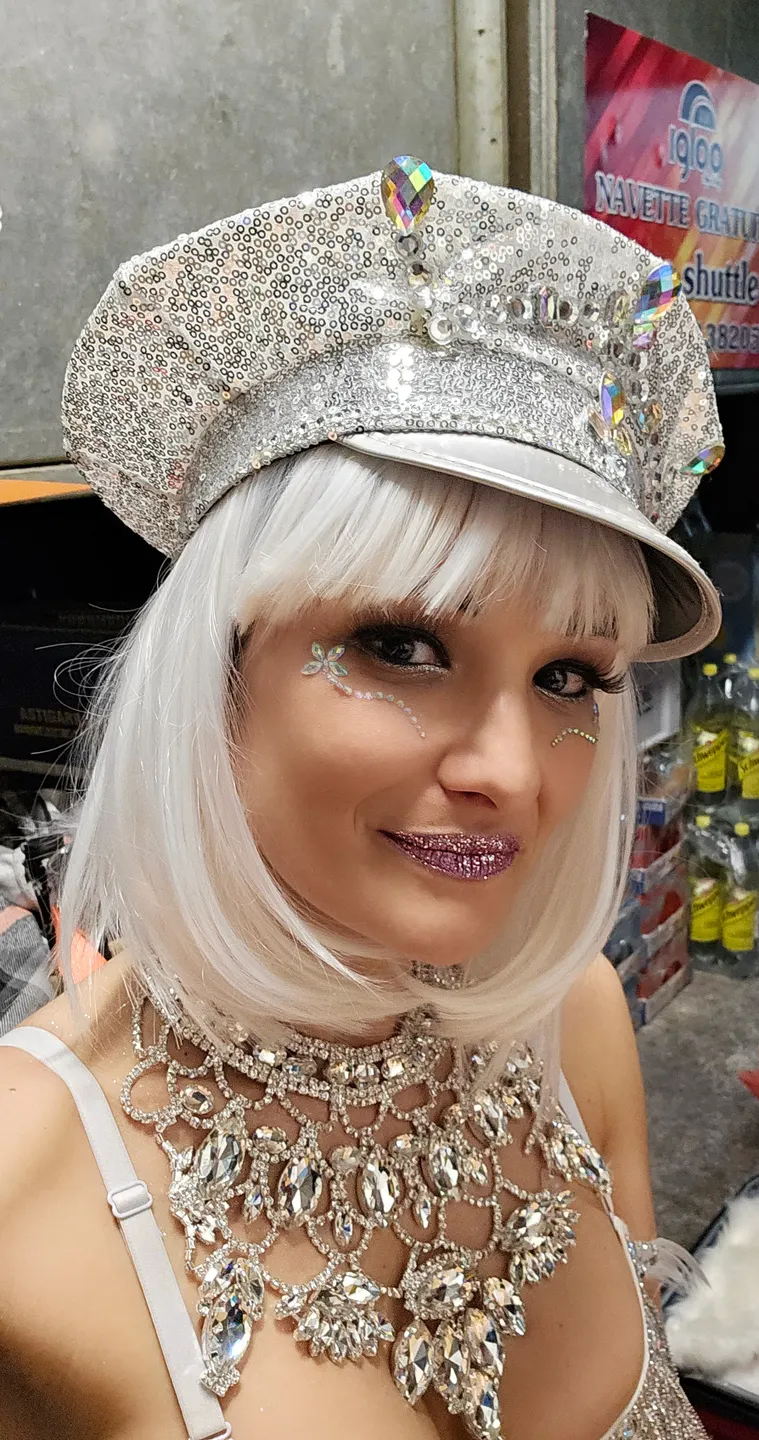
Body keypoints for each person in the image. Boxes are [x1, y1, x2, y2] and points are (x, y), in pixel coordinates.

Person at [0, 158, 723, 1440]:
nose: (512, 769)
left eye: (568, 674)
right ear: (219, 673)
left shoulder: (577, 1023)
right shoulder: (25, 1186)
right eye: (404, 646)